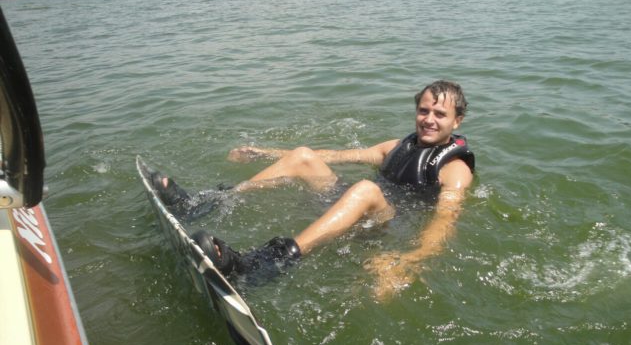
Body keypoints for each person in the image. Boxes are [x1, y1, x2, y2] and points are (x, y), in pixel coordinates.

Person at [154, 80, 475, 300]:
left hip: (388, 224)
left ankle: (258, 267)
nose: (428, 119)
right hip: (356, 205)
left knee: (365, 189)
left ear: (456, 121)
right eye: (423, 110)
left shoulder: (455, 170)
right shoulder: (397, 146)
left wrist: (410, 260)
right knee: (305, 156)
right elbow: (335, 156)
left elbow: (444, 223)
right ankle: (202, 204)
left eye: (439, 114)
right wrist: (266, 152)